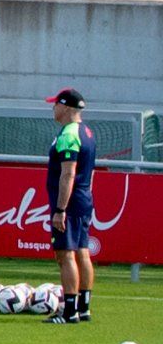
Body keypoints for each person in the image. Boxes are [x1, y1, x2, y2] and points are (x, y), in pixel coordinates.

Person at [47, 88, 100, 324]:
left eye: (55, 104)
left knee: (65, 254)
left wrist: (60, 209)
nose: (53, 108)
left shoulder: (69, 134)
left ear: (66, 107)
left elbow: (68, 174)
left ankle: (69, 312)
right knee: (81, 251)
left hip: (71, 201)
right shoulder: (87, 131)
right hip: (83, 198)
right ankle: (84, 306)